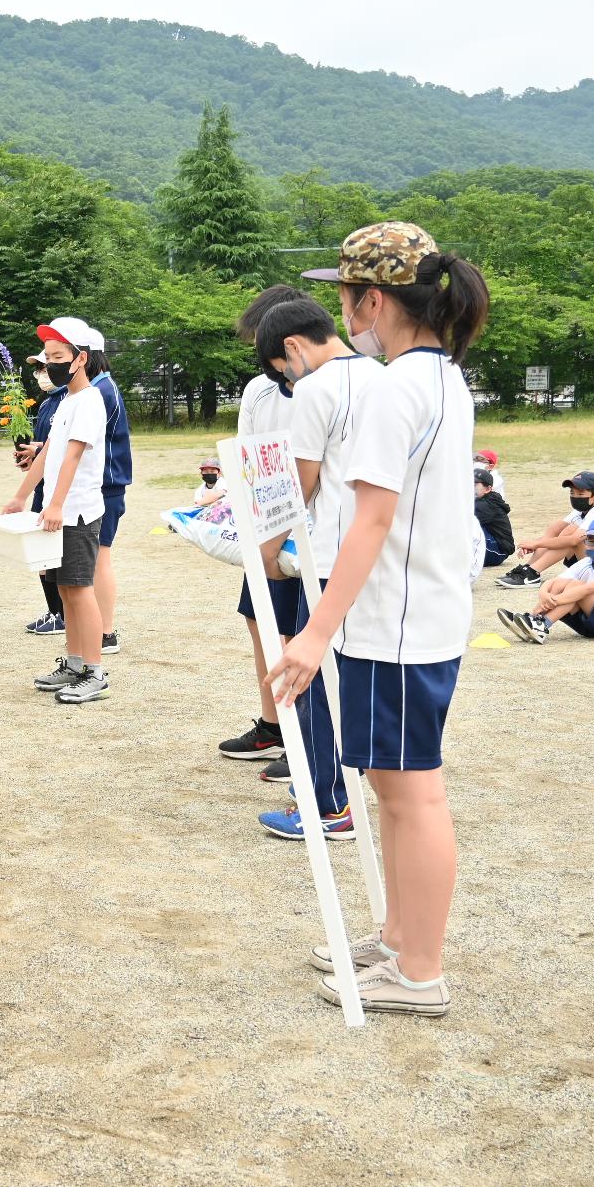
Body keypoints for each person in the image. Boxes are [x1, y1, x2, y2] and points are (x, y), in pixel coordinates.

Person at [275, 221, 486, 1017]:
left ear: (372, 299)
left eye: (343, 293)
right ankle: (400, 938)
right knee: (395, 792)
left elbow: (369, 521)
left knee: (413, 793)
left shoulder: (396, 386)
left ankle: (420, 967)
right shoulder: (435, 377)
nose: (340, 308)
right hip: (411, 613)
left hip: (396, 621)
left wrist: (314, 628)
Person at [254, 290, 375, 841]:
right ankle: (344, 792)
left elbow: (298, 484)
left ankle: (326, 804)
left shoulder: (316, 390)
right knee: (354, 676)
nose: (288, 381)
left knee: (312, 681)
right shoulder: (381, 377)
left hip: (328, 556)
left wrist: (267, 550)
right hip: (375, 556)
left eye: (284, 370)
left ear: (293, 347)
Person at [216, 287, 311, 774]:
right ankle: (274, 728)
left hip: (308, 537)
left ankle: (309, 739)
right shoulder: (259, 391)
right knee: (263, 625)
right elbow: (246, 456)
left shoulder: (323, 391)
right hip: (265, 528)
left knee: (304, 634)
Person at [2, 317, 109, 704]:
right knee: (65, 590)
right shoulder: (67, 400)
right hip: (59, 510)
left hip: (77, 512)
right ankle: (75, 663)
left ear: (80, 359)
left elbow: (74, 458)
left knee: (80, 590)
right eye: (47, 358)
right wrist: (20, 496)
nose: (50, 365)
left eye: (57, 357)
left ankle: (95, 672)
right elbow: (49, 453)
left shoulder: (91, 401)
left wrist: (58, 504)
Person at [496, 516, 594, 645]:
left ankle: (542, 624)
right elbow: (553, 581)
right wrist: (544, 595)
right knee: (561, 584)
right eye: (591, 540)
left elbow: (589, 589)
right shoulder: (587, 562)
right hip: (592, 622)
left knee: (576, 587)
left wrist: (554, 600)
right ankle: (533, 619)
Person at [493, 470, 594, 588]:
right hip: (593, 560)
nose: (575, 497)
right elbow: (554, 530)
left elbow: (572, 541)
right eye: (572, 492)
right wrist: (536, 545)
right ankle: (528, 570)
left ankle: (532, 574)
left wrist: (537, 544)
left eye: (581, 494)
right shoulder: (582, 510)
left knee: (574, 538)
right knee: (565, 530)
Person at [85, 330, 133, 654]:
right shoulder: (101, 387)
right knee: (95, 560)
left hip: (106, 486)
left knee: (100, 559)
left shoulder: (101, 391)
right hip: (104, 485)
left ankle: (106, 632)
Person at [21, 360, 69, 635]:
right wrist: (32, 455)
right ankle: (54, 612)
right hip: (43, 485)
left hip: (58, 489)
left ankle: (63, 614)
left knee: (55, 553)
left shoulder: (70, 400)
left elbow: (66, 449)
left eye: (46, 367)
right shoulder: (47, 402)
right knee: (42, 554)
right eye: (38, 368)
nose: (42, 374)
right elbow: (47, 445)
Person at [474, 468, 514, 568]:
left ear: (488, 489)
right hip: (491, 545)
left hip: (498, 550)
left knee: (468, 525)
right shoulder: (479, 500)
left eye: (475, 484)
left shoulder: (487, 504)